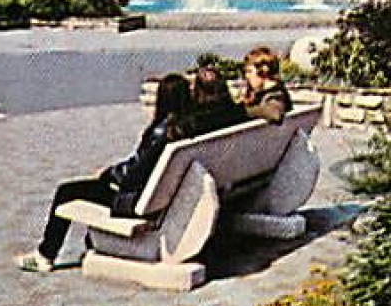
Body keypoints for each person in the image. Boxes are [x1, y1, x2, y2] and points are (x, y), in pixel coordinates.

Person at [16, 69, 244, 272]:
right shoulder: (201, 124)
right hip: (168, 196)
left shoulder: (166, 132)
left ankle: (45, 255)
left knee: (66, 191)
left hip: (138, 201)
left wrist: (109, 175)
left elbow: (134, 174)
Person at [240, 45, 292, 123]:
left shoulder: (276, 94)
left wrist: (242, 111)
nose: (246, 76)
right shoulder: (260, 94)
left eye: (249, 71)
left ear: (264, 73)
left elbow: (274, 114)